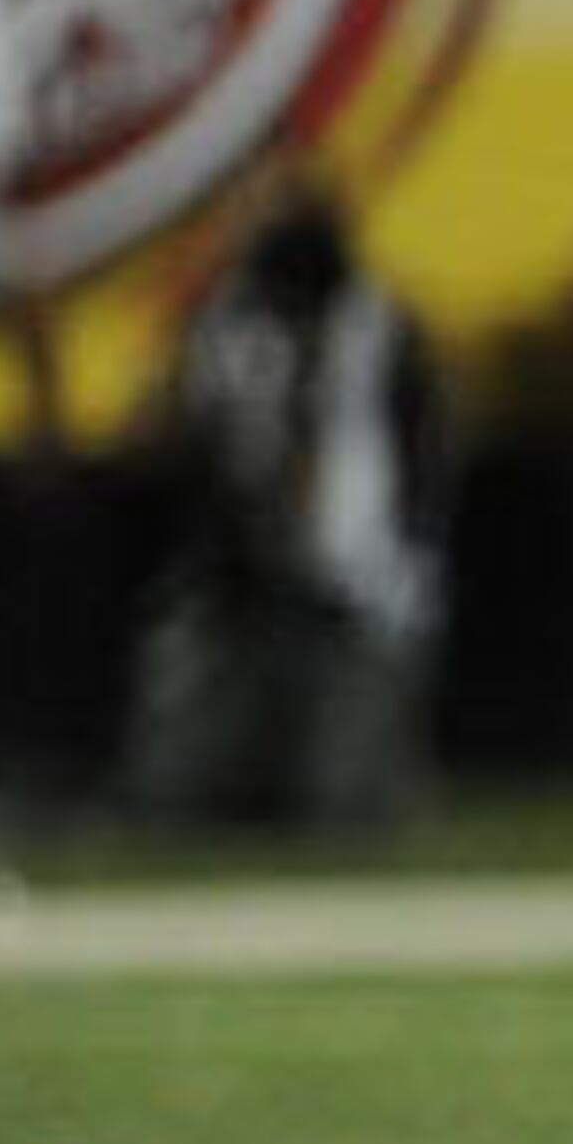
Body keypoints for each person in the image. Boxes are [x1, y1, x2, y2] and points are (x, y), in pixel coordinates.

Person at [116, 162, 449, 828]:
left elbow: (429, 458)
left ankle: (386, 767)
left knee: (339, 800)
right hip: (237, 600)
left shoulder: (381, 327)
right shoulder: (223, 329)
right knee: (172, 793)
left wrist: (404, 565)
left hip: (354, 598)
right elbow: (163, 437)